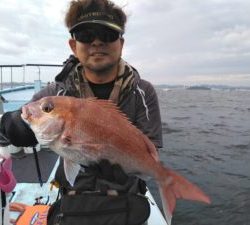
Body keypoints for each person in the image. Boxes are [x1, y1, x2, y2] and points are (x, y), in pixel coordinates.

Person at [0, 0, 163, 224]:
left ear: (121, 43)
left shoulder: (143, 92)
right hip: (74, 199)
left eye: (107, 34)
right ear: (73, 45)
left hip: (127, 196)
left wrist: (143, 169)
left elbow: (151, 152)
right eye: (86, 35)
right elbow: (16, 122)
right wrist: (11, 124)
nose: (96, 42)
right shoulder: (56, 92)